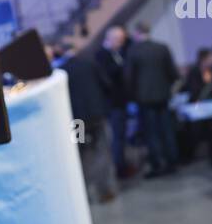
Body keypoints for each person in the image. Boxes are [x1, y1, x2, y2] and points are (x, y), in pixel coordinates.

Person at [61, 41, 118, 203]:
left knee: (79, 155)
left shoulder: (61, 71)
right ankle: (105, 190)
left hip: (76, 121)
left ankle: (83, 193)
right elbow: (107, 84)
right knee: (102, 151)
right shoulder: (90, 63)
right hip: (97, 115)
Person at [124, 22, 180, 178]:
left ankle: (158, 163)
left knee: (151, 133)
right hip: (163, 95)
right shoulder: (162, 48)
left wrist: (131, 97)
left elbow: (129, 78)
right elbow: (173, 73)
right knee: (167, 129)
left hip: (144, 98)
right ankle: (172, 160)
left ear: (137, 33)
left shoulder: (134, 51)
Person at [95, 26, 130, 178]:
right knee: (116, 137)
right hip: (112, 104)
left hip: (120, 102)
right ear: (111, 39)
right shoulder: (101, 56)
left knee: (121, 136)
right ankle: (119, 168)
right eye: (119, 40)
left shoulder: (116, 53)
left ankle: (122, 164)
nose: (121, 43)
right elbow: (107, 79)